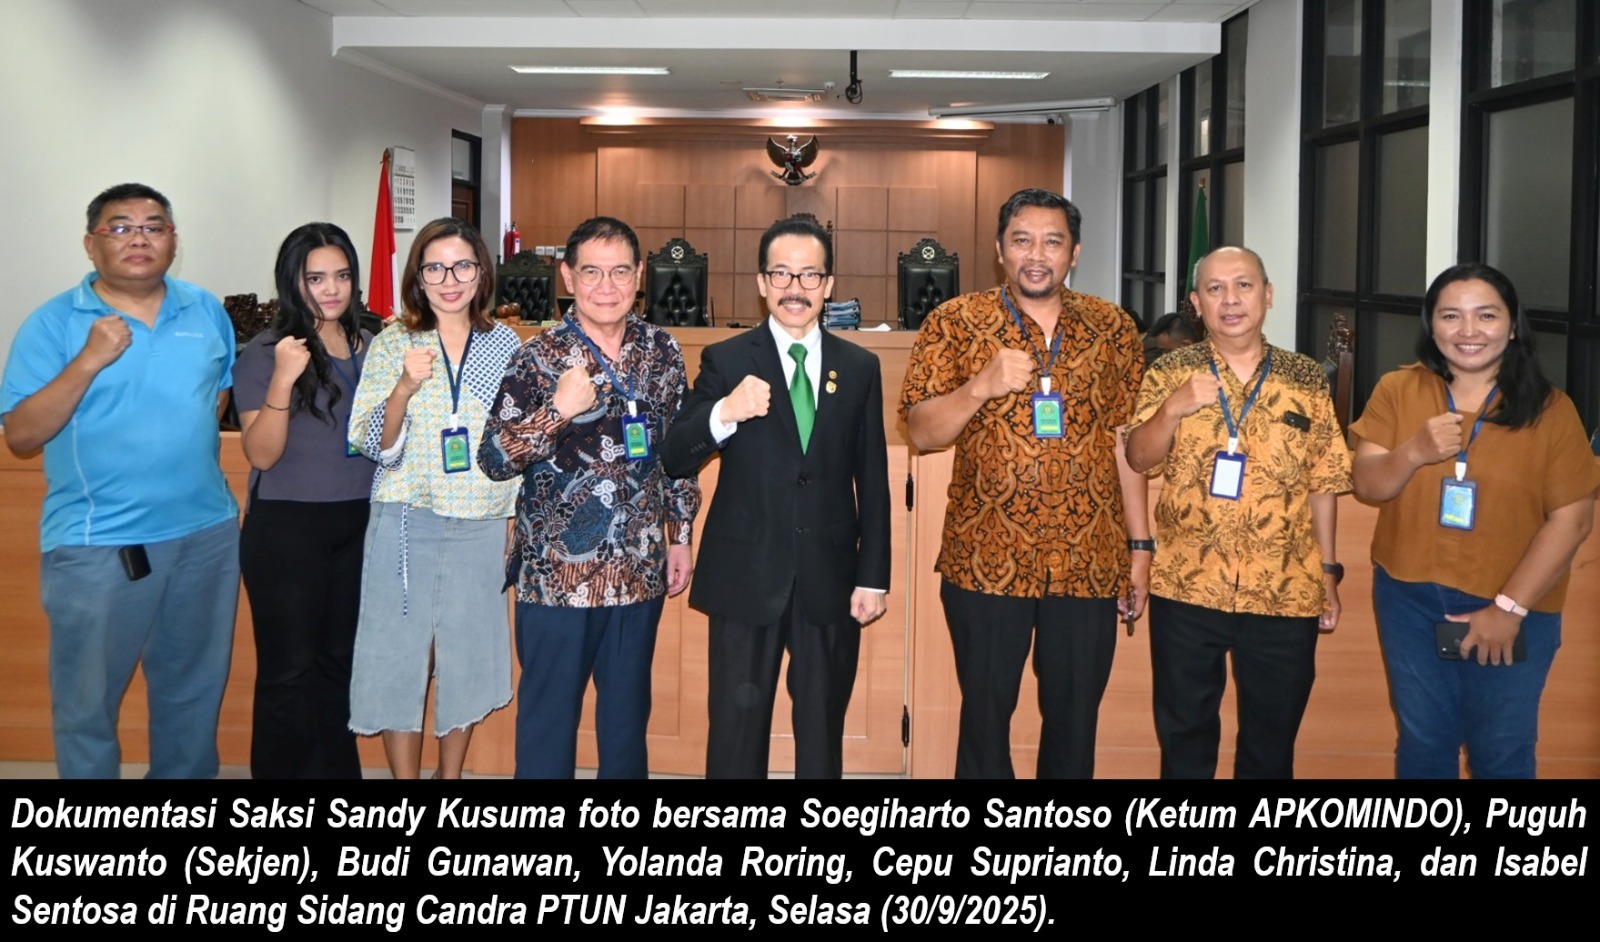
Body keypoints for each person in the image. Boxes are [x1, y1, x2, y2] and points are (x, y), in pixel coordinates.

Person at [900, 188, 1150, 779]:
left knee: (1075, 721)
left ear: (1075, 252)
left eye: (1052, 242)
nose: (1037, 255)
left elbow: (1127, 443)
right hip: (987, 557)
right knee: (985, 723)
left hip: (1089, 557)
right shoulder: (955, 322)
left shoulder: (1113, 327)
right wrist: (979, 387)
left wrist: (1139, 547)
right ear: (999, 250)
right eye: (1022, 240)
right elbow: (922, 433)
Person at [0, 183, 238, 778]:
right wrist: (88, 360)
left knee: (193, 694)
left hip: (205, 535)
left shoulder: (204, 309)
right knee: (87, 705)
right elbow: (22, 435)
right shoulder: (54, 323)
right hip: (99, 543)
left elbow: (216, 397)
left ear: (173, 240)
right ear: (91, 243)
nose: (139, 238)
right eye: (121, 227)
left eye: (154, 226)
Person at [663, 215, 891, 779]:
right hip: (745, 575)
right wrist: (724, 412)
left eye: (810, 275)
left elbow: (873, 479)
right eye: (782, 274)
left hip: (830, 579)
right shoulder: (726, 359)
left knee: (822, 735)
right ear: (762, 282)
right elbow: (674, 455)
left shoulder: (860, 367)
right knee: (735, 738)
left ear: (828, 284)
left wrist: (873, 576)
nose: (795, 288)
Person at [1350, 262, 1598, 779]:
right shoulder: (1399, 389)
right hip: (1410, 598)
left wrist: (1508, 609)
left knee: (1502, 752)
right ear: (1431, 326)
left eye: (1486, 315)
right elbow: (1368, 485)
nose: (1468, 331)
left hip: (1515, 604)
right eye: (1450, 316)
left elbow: (1573, 520)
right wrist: (1414, 452)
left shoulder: (1551, 409)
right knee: (1423, 744)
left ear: (1512, 326)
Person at [479, 216, 700, 779]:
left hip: (639, 570)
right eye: (592, 272)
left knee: (626, 729)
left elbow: (678, 454)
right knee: (548, 727)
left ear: (640, 275)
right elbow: (494, 458)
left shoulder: (662, 351)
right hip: (556, 578)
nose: (607, 286)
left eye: (620, 272)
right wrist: (557, 410)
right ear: (567, 277)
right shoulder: (536, 357)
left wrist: (680, 535)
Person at [1126, 246, 1351, 779]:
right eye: (1215, 289)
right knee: (1184, 742)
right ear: (1195, 304)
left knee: (1271, 748)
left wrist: (1328, 572)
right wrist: (1173, 407)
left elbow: (1323, 481)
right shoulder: (1169, 373)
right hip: (1187, 585)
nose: (1231, 300)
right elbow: (1138, 458)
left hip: (1284, 589)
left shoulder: (1305, 377)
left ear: (1268, 295)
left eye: (1244, 286)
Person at [346, 217, 522, 779]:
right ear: (418, 277)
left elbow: (515, 438)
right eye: (436, 268)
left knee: (464, 654)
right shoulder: (393, 342)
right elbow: (372, 441)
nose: (450, 280)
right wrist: (403, 386)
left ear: (481, 273)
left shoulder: (505, 344)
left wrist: (514, 515)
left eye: (462, 266)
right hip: (407, 516)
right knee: (401, 654)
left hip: (481, 519)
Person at [234, 222, 374, 779]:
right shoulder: (268, 352)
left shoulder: (370, 343)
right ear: (292, 282)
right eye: (315, 278)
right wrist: (282, 381)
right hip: (288, 527)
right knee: (288, 672)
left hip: (358, 521)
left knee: (338, 664)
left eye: (341, 275)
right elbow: (260, 454)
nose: (331, 289)